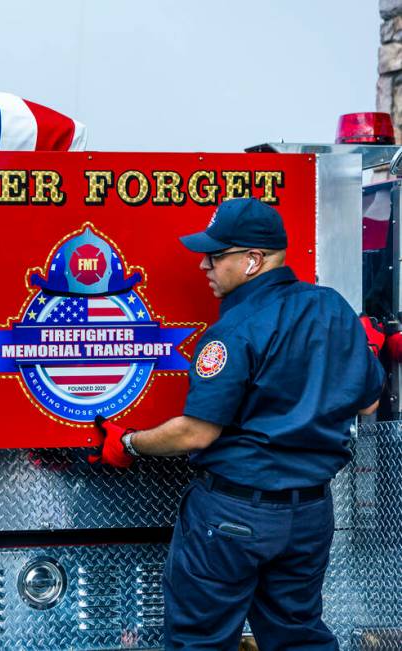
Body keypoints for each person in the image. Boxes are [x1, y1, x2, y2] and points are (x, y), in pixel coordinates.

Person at [89, 197, 385, 650]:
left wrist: (128, 443)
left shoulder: (234, 330)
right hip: (309, 515)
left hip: (234, 516)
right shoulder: (333, 309)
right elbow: (368, 404)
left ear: (252, 261)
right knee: (299, 636)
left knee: (201, 640)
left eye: (216, 254)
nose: (204, 264)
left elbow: (197, 431)